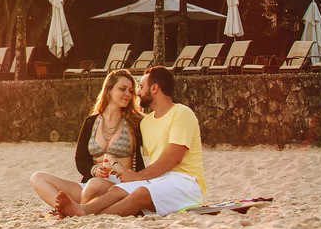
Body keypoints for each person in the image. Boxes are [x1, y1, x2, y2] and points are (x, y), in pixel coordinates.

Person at [53, 65, 206, 217]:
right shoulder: (146, 123)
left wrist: (138, 176)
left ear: (154, 88)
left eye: (140, 87)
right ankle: (83, 210)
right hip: (158, 181)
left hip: (186, 182)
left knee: (141, 193)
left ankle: (90, 217)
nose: (137, 93)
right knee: (117, 190)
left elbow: (173, 157)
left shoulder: (181, 113)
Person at [30, 69, 144, 208]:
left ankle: (74, 208)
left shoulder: (135, 122)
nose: (128, 94)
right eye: (122, 89)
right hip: (90, 186)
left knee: (95, 184)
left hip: (119, 188)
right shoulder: (91, 122)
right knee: (38, 177)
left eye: (130, 90)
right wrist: (93, 169)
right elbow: (81, 158)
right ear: (108, 90)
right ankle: (70, 208)